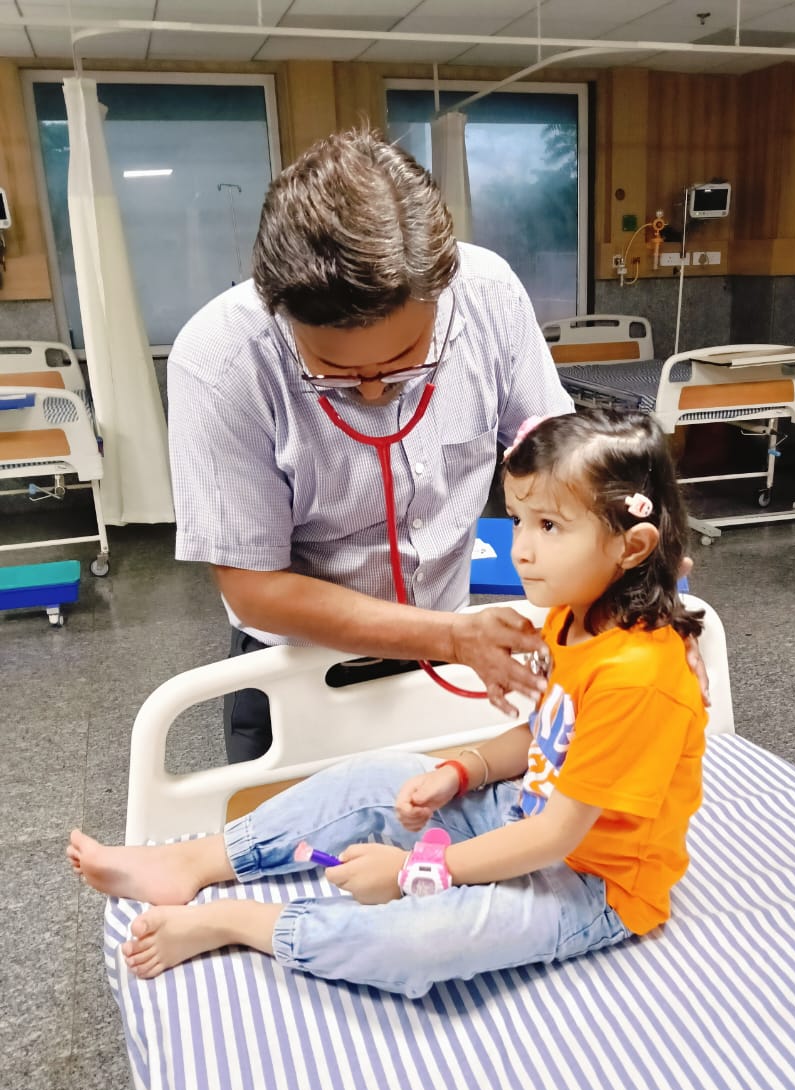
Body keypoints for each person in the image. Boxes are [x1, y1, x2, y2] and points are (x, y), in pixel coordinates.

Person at [70, 408, 708, 999]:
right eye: (518, 519)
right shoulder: (575, 618)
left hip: (592, 882)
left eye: (549, 526)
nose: (521, 548)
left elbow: (555, 836)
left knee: (427, 938)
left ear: (631, 547)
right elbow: (546, 737)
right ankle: (197, 860)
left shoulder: (636, 675)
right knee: (377, 777)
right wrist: (462, 771)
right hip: (521, 815)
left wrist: (414, 871)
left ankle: (242, 923)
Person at [166, 126, 574, 762]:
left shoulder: (487, 296)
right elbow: (254, 588)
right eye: (336, 370)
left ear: (440, 293)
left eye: (406, 357)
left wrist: (632, 570)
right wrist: (451, 636)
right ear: (281, 311)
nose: (376, 390)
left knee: (458, 809)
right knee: (296, 825)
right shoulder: (221, 361)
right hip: (301, 670)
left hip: (455, 648)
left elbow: (558, 455)